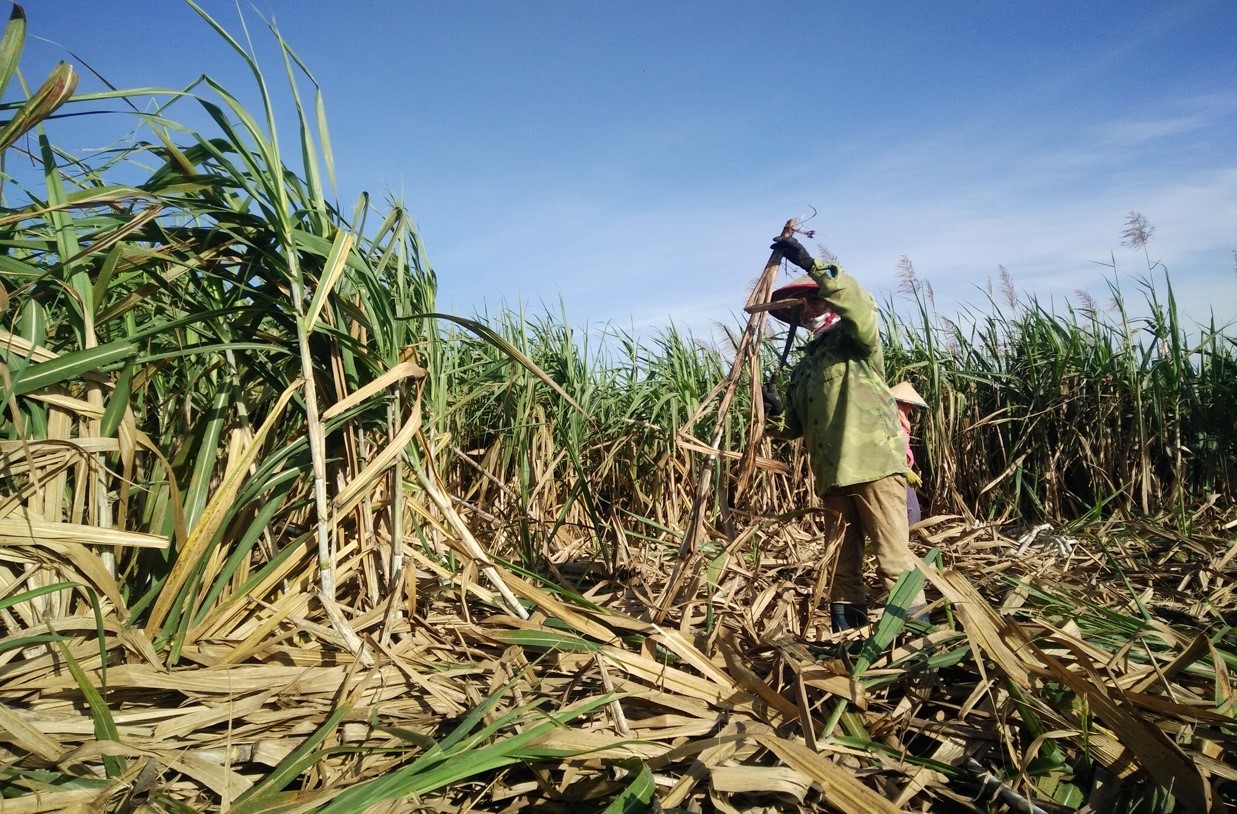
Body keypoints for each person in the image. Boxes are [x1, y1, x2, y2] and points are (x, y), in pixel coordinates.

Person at [762, 235, 927, 632]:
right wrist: (772, 414)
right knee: (840, 566)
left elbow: (859, 304)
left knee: (893, 561)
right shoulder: (804, 369)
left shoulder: (856, 343)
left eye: (814, 301)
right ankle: (849, 640)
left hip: (873, 468)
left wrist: (809, 264)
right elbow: (795, 429)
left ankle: (920, 646)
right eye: (800, 308)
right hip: (833, 478)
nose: (807, 312)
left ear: (829, 304)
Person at [889, 381, 928, 527]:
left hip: (902, 471)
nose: (910, 409)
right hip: (896, 472)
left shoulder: (901, 424)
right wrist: (905, 471)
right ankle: (900, 546)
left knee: (904, 512)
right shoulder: (890, 423)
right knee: (912, 513)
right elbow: (888, 450)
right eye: (906, 405)